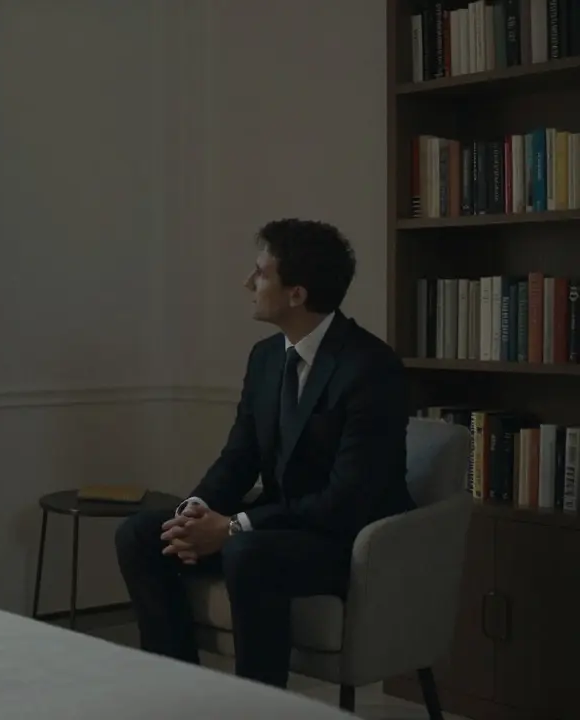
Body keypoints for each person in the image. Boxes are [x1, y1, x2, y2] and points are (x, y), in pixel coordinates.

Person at [114, 218, 413, 689]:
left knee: (246, 552)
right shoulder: (266, 357)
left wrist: (234, 527)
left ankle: (260, 706)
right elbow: (240, 456)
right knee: (141, 533)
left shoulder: (370, 368)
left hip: (344, 540)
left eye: (260, 273)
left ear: (296, 294)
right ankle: (178, 690)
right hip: (279, 525)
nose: (247, 283)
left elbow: (348, 499)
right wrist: (196, 510)